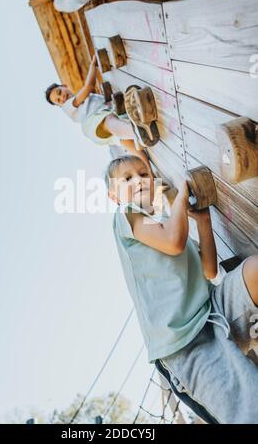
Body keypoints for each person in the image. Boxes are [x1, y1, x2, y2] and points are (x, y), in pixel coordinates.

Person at [105, 154, 258, 424]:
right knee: (246, 409)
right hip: (184, 345)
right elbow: (173, 242)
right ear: (114, 196)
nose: (139, 180)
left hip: (214, 310)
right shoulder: (126, 216)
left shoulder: (166, 222)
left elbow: (209, 270)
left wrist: (202, 222)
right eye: (127, 179)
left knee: (254, 270)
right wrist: (183, 191)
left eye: (144, 175)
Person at [45, 55, 155, 172]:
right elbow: (88, 86)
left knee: (127, 144)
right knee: (111, 122)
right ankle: (138, 131)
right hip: (93, 122)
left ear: (64, 86)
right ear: (60, 106)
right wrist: (93, 65)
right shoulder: (67, 107)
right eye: (58, 100)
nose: (62, 97)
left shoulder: (88, 99)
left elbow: (103, 102)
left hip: (105, 127)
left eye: (59, 92)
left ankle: (150, 173)